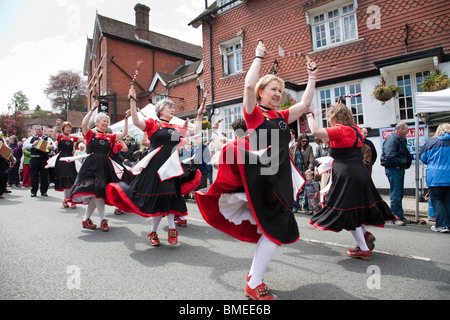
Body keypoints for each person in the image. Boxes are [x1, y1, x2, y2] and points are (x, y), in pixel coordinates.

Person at [196, 40, 318, 300]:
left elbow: (306, 101)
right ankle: (254, 282)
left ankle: (253, 278)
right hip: (264, 177)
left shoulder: (281, 116)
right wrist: (258, 57)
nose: (277, 94)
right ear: (261, 92)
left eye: (280, 91)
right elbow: (248, 85)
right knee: (276, 229)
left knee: (270, 229)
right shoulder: (254, 114)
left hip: (280, 176)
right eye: (273, 89)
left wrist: (312, 75)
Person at [106, 89, 204, 245]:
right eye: (169, 107)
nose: (172, 109)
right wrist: (132, 102)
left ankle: (171, 229)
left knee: (170, 196)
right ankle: (153, 232)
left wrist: (199, 115)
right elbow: (137, 122)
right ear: (160, 111)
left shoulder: (174, 129)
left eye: (173, 107)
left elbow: (195, 131)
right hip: (155, 166)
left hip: (170, 167)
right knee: (158, 198)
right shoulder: (153, 125)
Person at [307, 102, 396, 260]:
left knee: (347, 212)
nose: (329, 121)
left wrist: (308, 115)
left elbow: (315, 131)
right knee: (355, 210)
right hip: (360, 173)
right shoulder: (355, 129)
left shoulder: (341, 130)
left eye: (330, 118)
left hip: (347, 176)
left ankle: (363, 249)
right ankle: (365, 236)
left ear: (336, 117)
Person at [66, 101, 128, 231]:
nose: (105, 123)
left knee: (97, 194)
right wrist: (92, 109)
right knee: (97, 194)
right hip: (90, 167)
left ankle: (86, 219)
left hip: (104, 167)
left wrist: (126, 119)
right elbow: (83, 124)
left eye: (107, 121)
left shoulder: (109, 137)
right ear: (97, 122)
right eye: (103, 121)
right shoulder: (90, 134)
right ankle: (102, 220)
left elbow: (123, 134)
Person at [420, 123, 450, 233]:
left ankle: (442, 225)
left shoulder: (431, 142)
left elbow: (424, 158)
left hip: (435, 177)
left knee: (437, 200)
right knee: (448, 201)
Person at [380, 122, 412, 226]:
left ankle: (400, 216)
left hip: (398, 169)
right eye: (406, 131)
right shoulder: (392, 140)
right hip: (394, 169)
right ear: (400, 130)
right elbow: (390, 155)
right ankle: (395, 217)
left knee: (399, 193)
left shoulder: (400, 139)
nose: (407, 133)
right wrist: (397, 164)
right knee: (396, 194)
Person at [51, 119, 83, 209]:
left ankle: (71, 200)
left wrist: (84, 127)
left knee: (72, 181)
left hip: (70, 160)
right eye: (67, 127)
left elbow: (84, 138)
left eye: (70, 127)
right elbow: (53, 136)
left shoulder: (73, 138)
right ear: (63, 129)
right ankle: (65, 200)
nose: (68, 129)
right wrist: (56, 125)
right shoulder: (59, 137)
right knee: (66, 181)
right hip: (61, 160)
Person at [23, 125, 56, 197]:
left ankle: (44, 191)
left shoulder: (47, 138)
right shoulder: (31, 138)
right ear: (35, 131)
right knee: (34, 175)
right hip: (34, 159)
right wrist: (32, 144)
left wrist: (52, 147)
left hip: (44, 159)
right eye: (37, 129)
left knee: (45, 176)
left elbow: (54, 146)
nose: (38, 130)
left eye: (40, 129)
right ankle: (34, 191)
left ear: (42, 130)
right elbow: (24, 145)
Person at [293, 134, 315, 212]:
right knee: (296, 189)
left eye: (306, 141)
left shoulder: (309, 148)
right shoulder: (294, 147)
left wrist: (310, 168)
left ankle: (306, 207)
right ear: (299, 140)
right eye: (303, 141)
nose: (305, 142)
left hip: (305, 170)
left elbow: (312, 159)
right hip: (296, 170)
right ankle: (295, 206)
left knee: (306, 189)